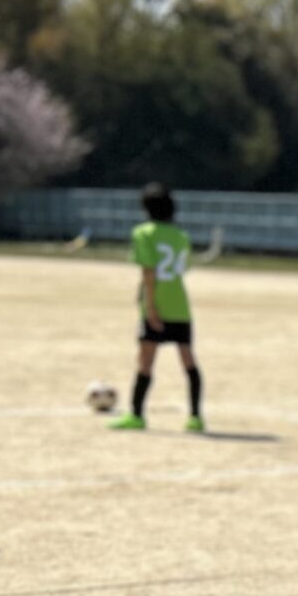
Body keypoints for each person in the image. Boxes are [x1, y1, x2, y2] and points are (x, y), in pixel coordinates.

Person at [110, 183, 204, 433]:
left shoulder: (143, 233)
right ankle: (196, 417)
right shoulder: (181, 235)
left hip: (157, 304)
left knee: (145, 360)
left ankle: (136, 415)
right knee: (188, 359)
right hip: (180, 304)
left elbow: (149, 271)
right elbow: (182, 268)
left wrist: (150, 306)